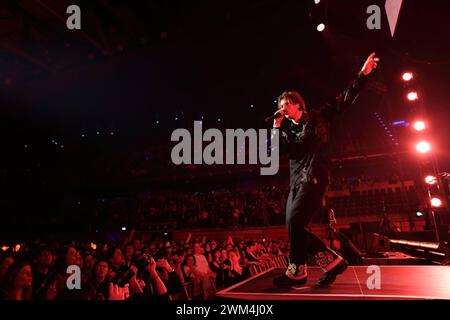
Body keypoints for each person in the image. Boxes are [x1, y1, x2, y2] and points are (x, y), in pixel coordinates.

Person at [271, 53, 379, 288]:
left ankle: (298, 270)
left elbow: (344, 99)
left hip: (316, 176)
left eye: (286, 104)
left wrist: (362, 74)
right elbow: (278, 150)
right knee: (292, 224)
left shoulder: (319, 116)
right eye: (280, 106)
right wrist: (276, 127)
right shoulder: (287, 132)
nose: (283, 108)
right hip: (297, 182)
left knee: (295, 221)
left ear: (299, 104)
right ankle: (330, 263)